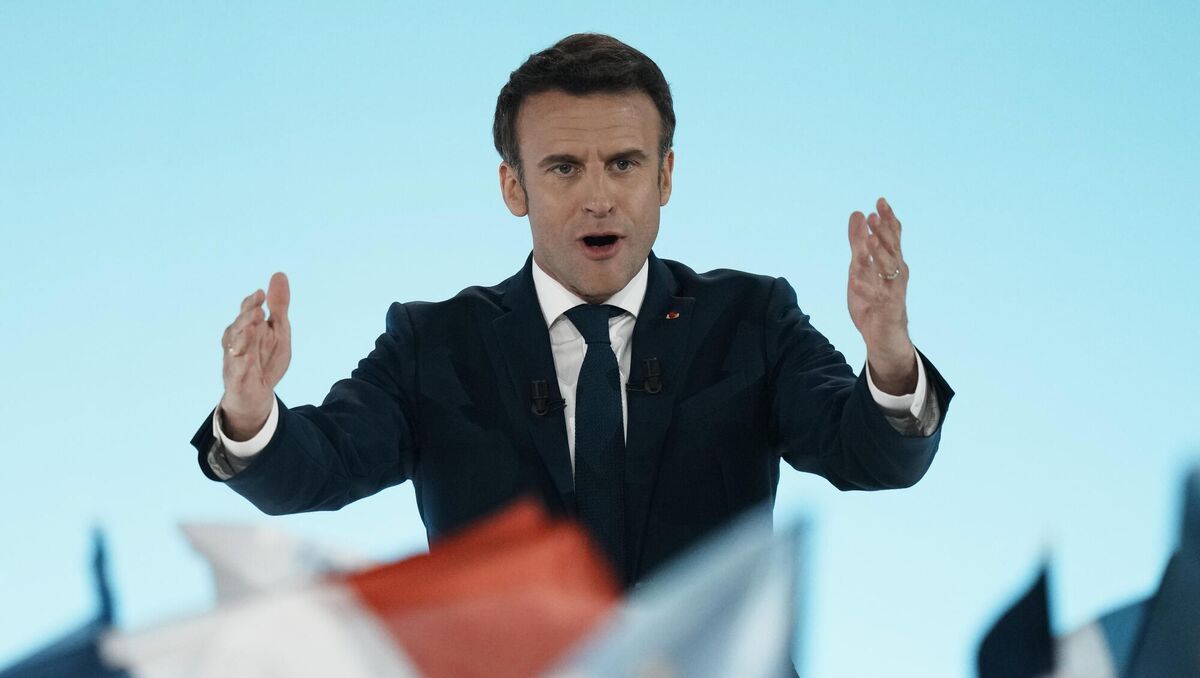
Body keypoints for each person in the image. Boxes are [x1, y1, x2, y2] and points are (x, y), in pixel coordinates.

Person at [191, 33, 953, 586]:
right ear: (514, 187)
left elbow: (871, 454)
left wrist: (888, 356)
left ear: (665, 177)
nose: (598, 194)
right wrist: (252, 415)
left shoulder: (749, 319)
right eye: (563, 167)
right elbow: (315, 469)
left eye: (624, 163)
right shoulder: (436, 344)